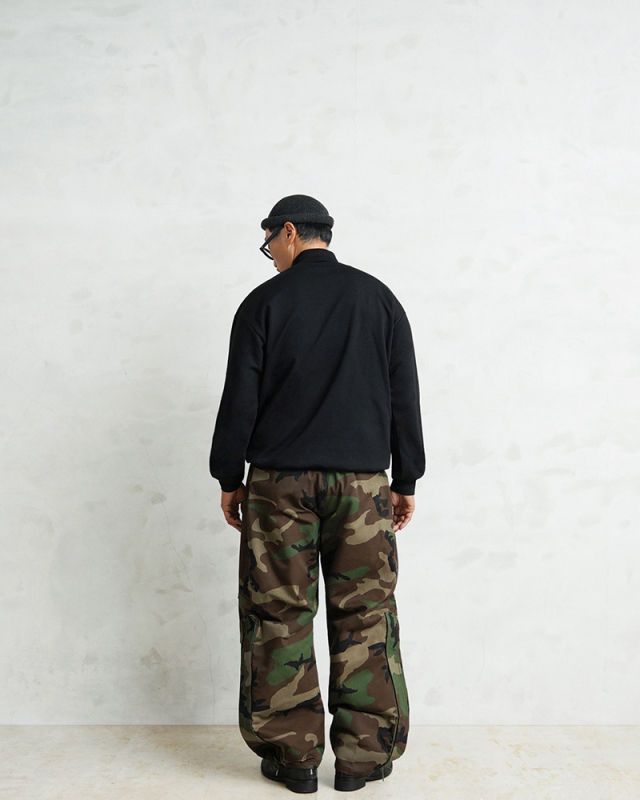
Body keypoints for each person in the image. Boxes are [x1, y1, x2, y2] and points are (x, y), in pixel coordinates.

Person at [209, 194, 425, 793]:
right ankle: (363, 760)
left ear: (288, 233)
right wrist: (406, 478)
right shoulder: (378, 299)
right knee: (366, 614)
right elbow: (403, 393)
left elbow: (240, 399)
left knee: (278, 614)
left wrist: (229, 477)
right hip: (362, 487)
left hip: (278, 487)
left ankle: (294, 758)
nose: (270, 256)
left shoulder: (263, 303)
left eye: (269, 244)